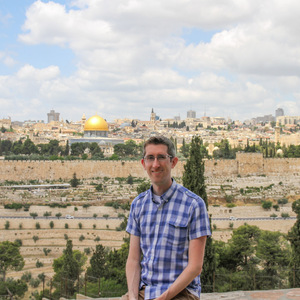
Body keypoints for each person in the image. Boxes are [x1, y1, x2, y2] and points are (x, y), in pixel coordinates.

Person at [123, 136, 211, 300]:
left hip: (181, 292)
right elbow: (133, 260)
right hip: (146, 291)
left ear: (173, 162)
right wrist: (133, 297)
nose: (155, 164)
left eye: (161, 157)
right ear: (144, 164)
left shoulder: (194, 205)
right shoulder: (138, 205)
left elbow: (195, 267)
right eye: (150, 158)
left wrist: (164, 297)